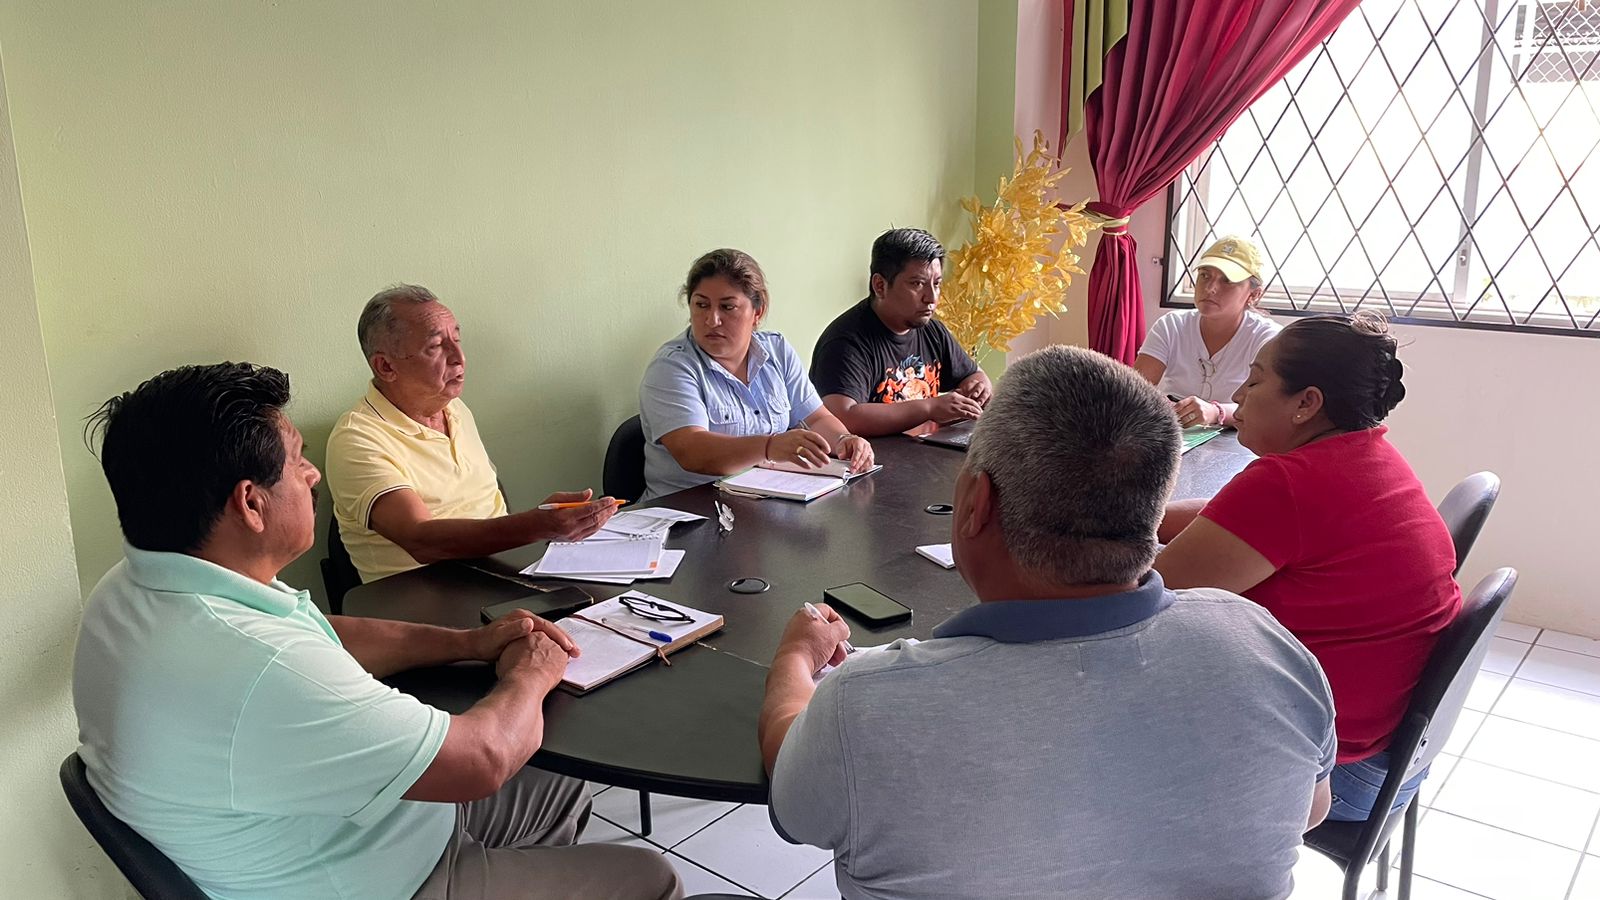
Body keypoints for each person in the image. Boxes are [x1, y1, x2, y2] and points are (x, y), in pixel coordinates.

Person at [73, 362, 680, 900]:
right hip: (370, 879)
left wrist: (466, 644)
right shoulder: (257, 666)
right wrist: (533, 673)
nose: (312, 475)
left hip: (348, 826)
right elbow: (483, 760)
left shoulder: (137, 585)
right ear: (251, 505)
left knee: (560, 789)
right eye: (296, 461)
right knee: (650, 877)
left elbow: (320, 635)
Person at [760, 346, 1336, 899]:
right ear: (1153, 508)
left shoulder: (865, 704)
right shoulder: (1268, 647)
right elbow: (1311, 809)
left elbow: (793, 794)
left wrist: (795, 657)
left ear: (975, 502)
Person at [1155, 313, 1462, 822]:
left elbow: (1151, 594)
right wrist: (1140, 515)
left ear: (1306, 404)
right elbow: (1228, 519)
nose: (1240, 394)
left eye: (1255, 381)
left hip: (1335, 775)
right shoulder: (1365, 455)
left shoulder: (1287, 485)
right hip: (1391, 759)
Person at [327, 285, 617, 582]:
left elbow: (486, 507)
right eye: (436, 346)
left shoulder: (455, 409)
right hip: (421, 595)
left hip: (502, 575)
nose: (459, 358)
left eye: (456, 339)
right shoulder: (356, 438)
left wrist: (547, 518)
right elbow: (421, 540)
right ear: (386, 366)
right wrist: (538, 525)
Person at [639, 248, 875, 500]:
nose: (712, 320)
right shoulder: (671, 367)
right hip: (689, 508)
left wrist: (844, 440)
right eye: (701, 305)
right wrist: (769, 446)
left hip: (762, 500)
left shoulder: (777, 350)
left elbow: (816, 418)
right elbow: (692, 451)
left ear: (757, 312)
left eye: (727, 307)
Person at [810, 227, 993, 436]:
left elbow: (974, 375)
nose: (931, 298)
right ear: (880, 286)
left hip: (924, 451)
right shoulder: (845, 342)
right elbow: (842, 417)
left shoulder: (933, 331)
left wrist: (978, 389)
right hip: (872, 456)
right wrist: (930, 408)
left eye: (936, 284)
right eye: (917, 284)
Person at [1134, 235, 1281, 428]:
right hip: (1174, 433)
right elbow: (1135, 391)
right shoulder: (1171, 325)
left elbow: (1267, 407)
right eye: (1205, 276)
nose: (1210, 288)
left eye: (1227, 280)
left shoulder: (1267, 338)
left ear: (1254, 294)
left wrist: (1216, 412)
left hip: (1239, 437)